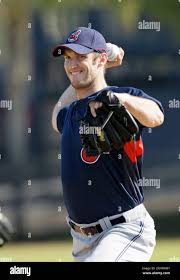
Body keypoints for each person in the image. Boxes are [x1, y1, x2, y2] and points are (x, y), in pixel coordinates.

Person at [52, 27, 164, 262]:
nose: (72, 64)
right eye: (68, 58)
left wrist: (121, 100)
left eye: (81, 56)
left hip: (123, 230)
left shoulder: (123, 97)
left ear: (100, 58)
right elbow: (55, 117)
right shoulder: (71, 112)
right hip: (81, 240)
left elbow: (156, 115)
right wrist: (90, 67)